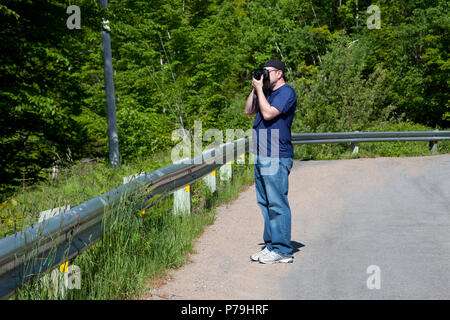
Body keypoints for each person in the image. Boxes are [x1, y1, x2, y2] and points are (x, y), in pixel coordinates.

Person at [245, 58, 297, 264]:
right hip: (262, 153)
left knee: (277, 203)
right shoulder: (266, 92)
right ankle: (271, 246)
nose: (265, 75)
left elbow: (267, 114)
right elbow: (249, 110)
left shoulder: (286, 93)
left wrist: (260, 89)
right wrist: (255, 87)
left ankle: (283, 249)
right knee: (265, 203)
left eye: (267, 72)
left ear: (279, 73)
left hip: (276, 153)